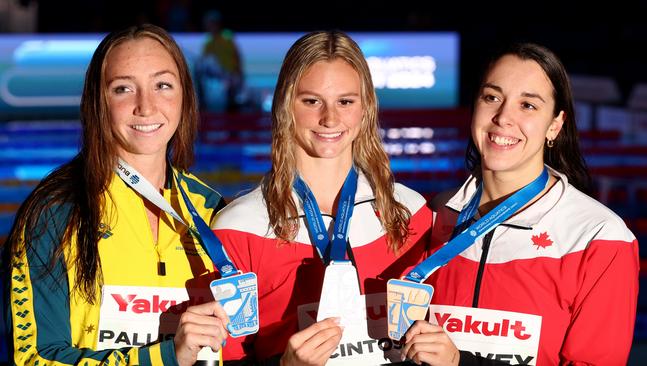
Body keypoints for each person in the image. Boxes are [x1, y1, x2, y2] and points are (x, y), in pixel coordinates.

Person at [1, 24, 231, 365]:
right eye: (123, 89)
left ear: (185, 95)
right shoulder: (55, 211)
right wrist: (166, 357)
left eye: (162, 85)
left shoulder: (213, 211)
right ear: (98, 102)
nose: (146, 106)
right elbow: (34, 358)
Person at [402, 43, 639, 365]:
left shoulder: (599, 236)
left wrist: (462, 362)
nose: (503, 118)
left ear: (555, 125)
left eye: (527, 105)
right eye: (492, 97)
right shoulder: (434, 216)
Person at [211, 30, 432, 364]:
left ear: (366, 107)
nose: (329, 118)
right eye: (312, 101)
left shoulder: (410, 213)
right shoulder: (239, 228)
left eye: (345, 101)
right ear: (286, 105)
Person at [195, 10, 243, 113]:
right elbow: (204, 60)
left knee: (231, 89)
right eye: (208, 24)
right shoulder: (209, 41)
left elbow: (237, 55)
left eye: (211, 24)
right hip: (217, 76)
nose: (209, 27)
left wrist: (238, 72)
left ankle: (231, 110)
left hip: (230, 74)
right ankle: (202, 103)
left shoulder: (227, 36)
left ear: (216, 24)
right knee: (199, 68)